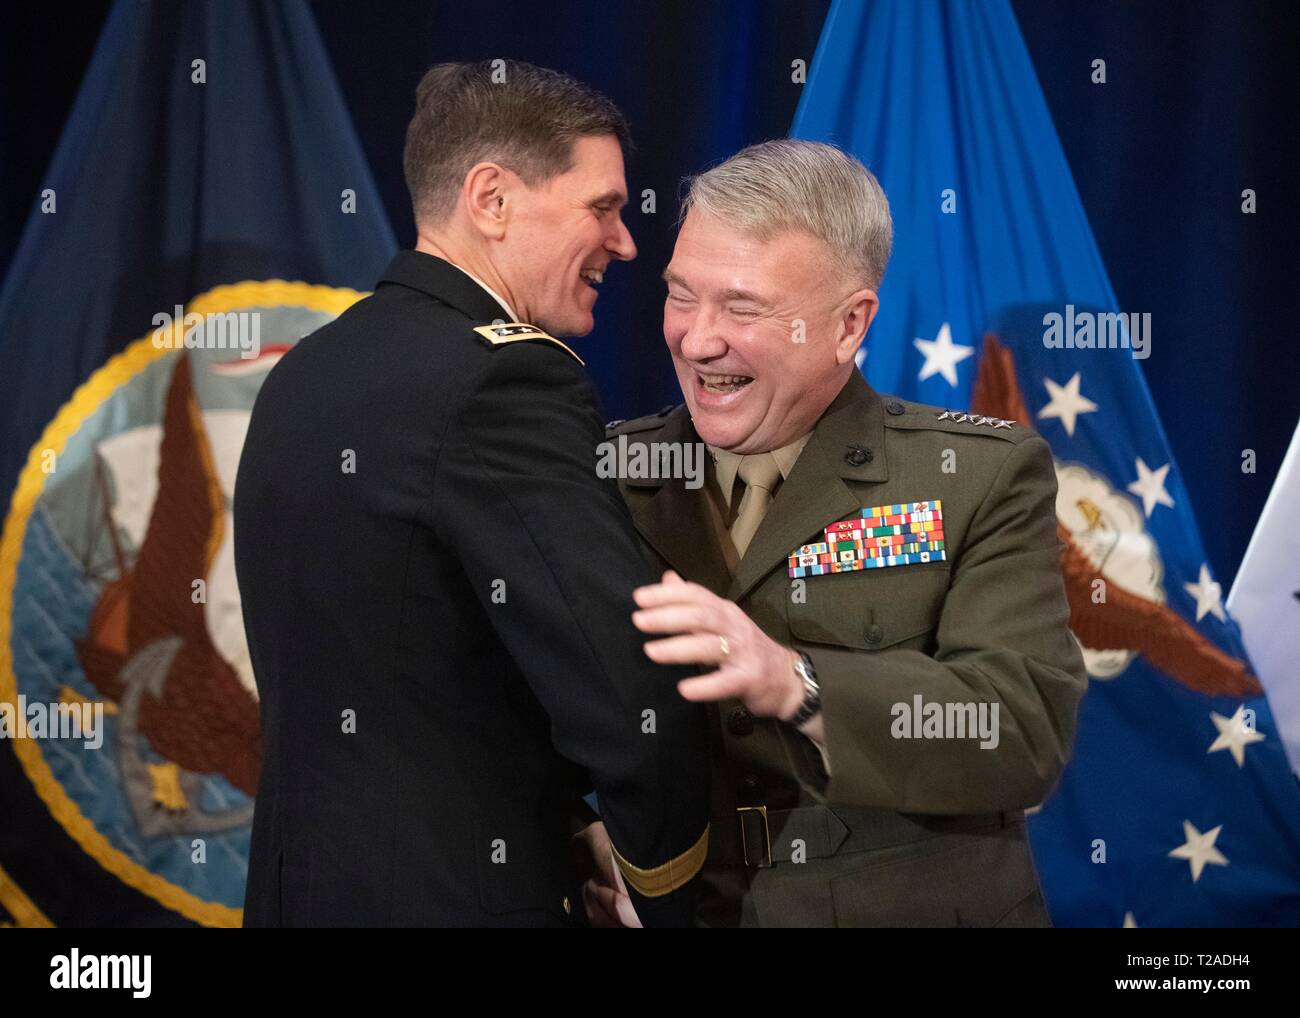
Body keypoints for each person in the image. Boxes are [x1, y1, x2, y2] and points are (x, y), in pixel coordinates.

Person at [234, 60, 709, 928]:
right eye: (601, 208)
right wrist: (672, 891)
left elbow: (410, 679)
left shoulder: (305, 372)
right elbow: (623, 695)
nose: (626, 241)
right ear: (492, 199)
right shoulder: (504, 382)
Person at [579, 139, 1087, 927]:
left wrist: (797, 683)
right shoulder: (608, 471)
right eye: (682, 295)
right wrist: (589, 840)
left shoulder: (977, 476)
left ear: (850, 324)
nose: (697, 339)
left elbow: (1016, 729)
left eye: (742, 308)